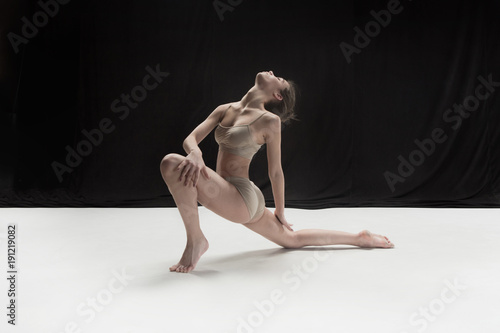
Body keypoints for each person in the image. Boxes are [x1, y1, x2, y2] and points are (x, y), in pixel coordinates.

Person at [160, 70, 394, 273]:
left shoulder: (269, 121)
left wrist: (281, 211)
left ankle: (196, 240)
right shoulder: (225, 109)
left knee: (171, 162)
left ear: (277, 95)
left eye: (278, 78)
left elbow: (276, 172)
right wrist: (196, 153)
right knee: (291, 240)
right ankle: (359, 238)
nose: (272, 72)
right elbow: (190, 139)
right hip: (225, 192)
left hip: (241, 196)